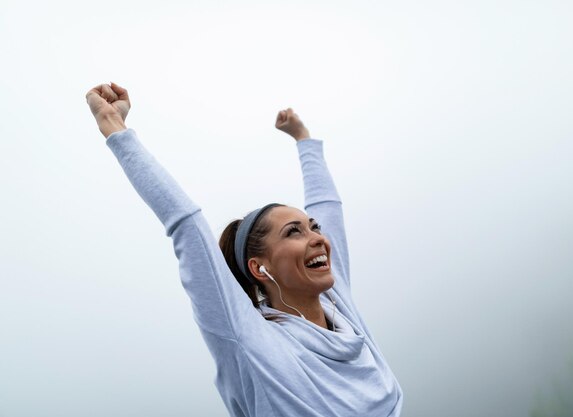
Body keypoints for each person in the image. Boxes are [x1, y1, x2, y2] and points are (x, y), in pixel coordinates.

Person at [85, 82, 403, 417]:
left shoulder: (341, 309)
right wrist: (114, 126)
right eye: (294, 232)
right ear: (259, 267)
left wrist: (303, 138)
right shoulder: (248, 339)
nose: (318, 238)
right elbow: (186, 225)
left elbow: (328, 208)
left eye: (314, 227)